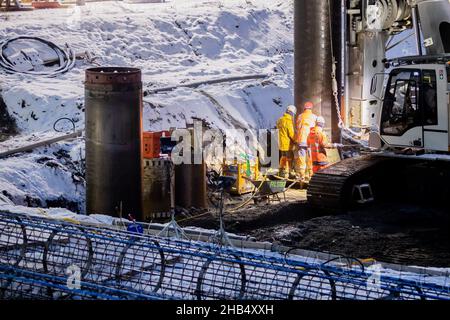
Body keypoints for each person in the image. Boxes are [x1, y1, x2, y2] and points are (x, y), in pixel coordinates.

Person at [294, 101, 317, 181]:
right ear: (311, 108)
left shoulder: (300, 116)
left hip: (301, 140)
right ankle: (311, 174)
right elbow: (315, 129)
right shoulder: (314, 117)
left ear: (304, 108)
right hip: (310, 140)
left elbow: (297, 127)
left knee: (301, 157)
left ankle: (302, 175)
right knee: (310, 156)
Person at [276, 105, 296, 178]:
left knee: (283, 157)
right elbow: (291, 133)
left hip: (281, 143)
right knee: (290, 158)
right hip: (287, 144)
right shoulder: (288, 120)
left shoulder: (280, 120)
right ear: (292, 113)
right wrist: (296, 140)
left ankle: (281, 171)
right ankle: (290, 173)